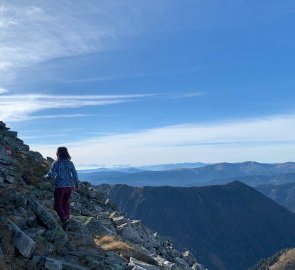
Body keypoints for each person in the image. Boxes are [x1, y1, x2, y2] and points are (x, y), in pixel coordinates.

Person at [44, 147, 79, 230]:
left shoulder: (56, 163)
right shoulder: (70, 163)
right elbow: (74, 174)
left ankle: (64, 219)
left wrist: (46, 176)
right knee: (66, 204)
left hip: (60, 186)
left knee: (58, 204)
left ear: (58, 153)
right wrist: (76, 184)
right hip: (69, 186)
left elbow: (52, 174)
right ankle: (67, 220)